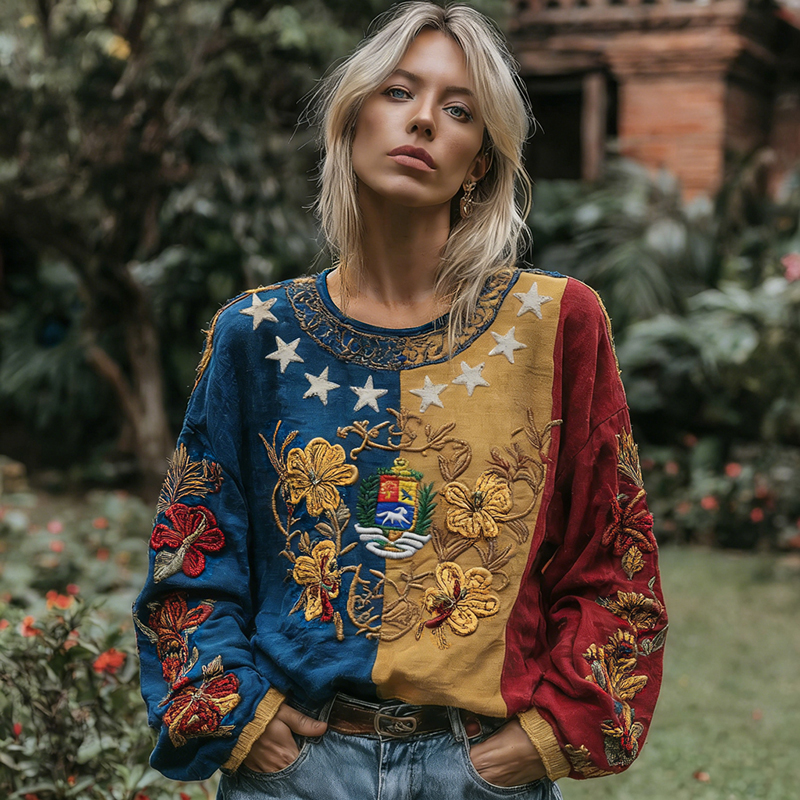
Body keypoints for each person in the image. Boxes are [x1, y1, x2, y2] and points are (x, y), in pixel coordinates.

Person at [133, 3, 667, 798]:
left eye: (459, 110)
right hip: (297, 769)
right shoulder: (256, 333)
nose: (422, 120)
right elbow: (191, 553)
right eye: (398, 92)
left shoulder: (558, 323)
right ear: (352, 120)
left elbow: (614, 560)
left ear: (478, 162)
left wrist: (544, 738)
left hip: (479, 769)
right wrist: (239, 717)